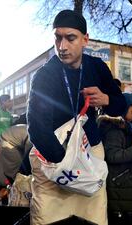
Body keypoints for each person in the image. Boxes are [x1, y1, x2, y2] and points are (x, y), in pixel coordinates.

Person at [27, 9, 125, 225]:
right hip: (54, 157)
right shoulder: (45, 75)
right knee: (46, 218)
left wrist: (107, 99)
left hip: (90, 153)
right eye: (57, 38)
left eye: (70, 38)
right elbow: (36, 127)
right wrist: (64, 161)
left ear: (85, 39)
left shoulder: (97, 67)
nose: (62, 47)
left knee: (94, 217)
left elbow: (120, 106)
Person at [99, 93, 132, 224]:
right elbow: (113, 155)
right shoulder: (114, 130)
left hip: (125, 185)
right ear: (122, 109)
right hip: (120, 186)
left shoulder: (125, 127)